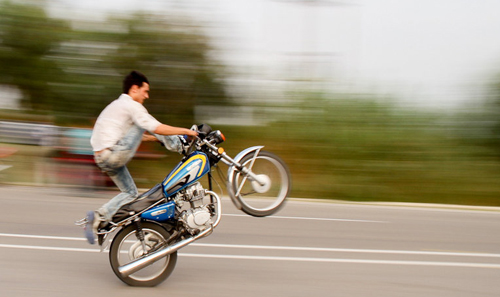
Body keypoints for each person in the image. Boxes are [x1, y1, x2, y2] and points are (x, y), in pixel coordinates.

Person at [84, 70, 198, 244]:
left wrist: (154, 138)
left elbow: (132, 135)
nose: (147, 96)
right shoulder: (132, 106)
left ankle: (99, 218)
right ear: (134, 89)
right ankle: (180, 145)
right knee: (145, 123)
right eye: (145, 91)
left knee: (130, 193)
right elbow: (155, 127)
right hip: (112, 155)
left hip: (103, 157)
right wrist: (186, 132)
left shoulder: (117, 106)